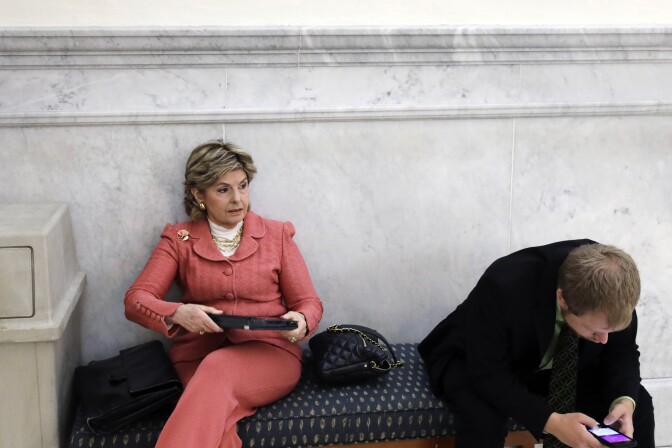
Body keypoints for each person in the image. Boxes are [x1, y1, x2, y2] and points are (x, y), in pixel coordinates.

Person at [124, 140, 323, 448]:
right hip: (197, 357)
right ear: (198, 194)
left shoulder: (277, 235)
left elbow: (308, 302)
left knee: (217, 371)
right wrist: (178, 313)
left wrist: (300, 320)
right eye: (223, 190)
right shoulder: (179, 239)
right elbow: (136, 299)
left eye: (242, 186)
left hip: (269, 353)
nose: (237, 199)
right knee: (220, 430)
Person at [418, 240, 655, 448]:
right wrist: (553, 423)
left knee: (638, 403)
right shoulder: (503, 286)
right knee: (483, 419)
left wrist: (623, 400)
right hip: (473, 358)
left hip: (547, 365)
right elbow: (488, 374)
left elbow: (622, 352)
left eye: (609, 332)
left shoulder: (615, 291)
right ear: (562, 299)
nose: (604, 340)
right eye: (595, 332)